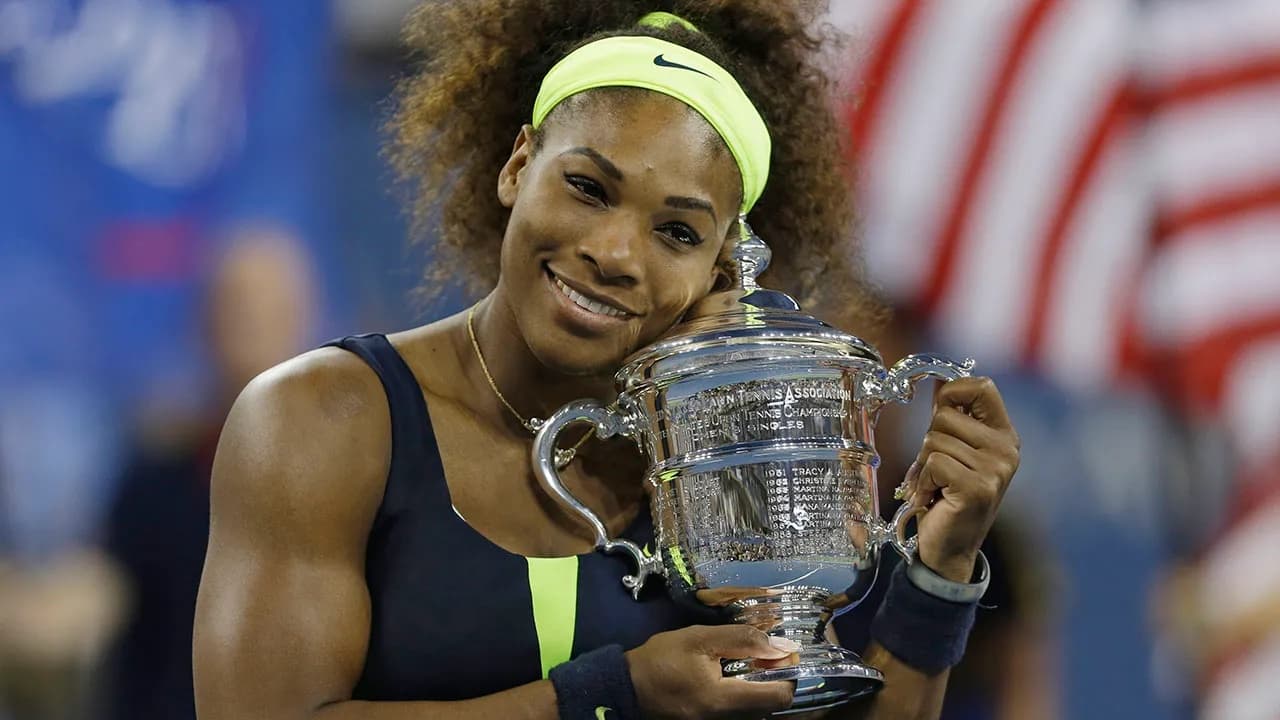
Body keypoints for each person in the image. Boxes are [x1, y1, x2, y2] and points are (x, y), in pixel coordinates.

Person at [193, 3, 1022, 719]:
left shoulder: (723, 462)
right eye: (588, 187)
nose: (615, 253)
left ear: (721, 266)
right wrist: (604, 697)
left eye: (677, 233)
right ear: (519, 166)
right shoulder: (321, 419)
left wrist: (939, 571)